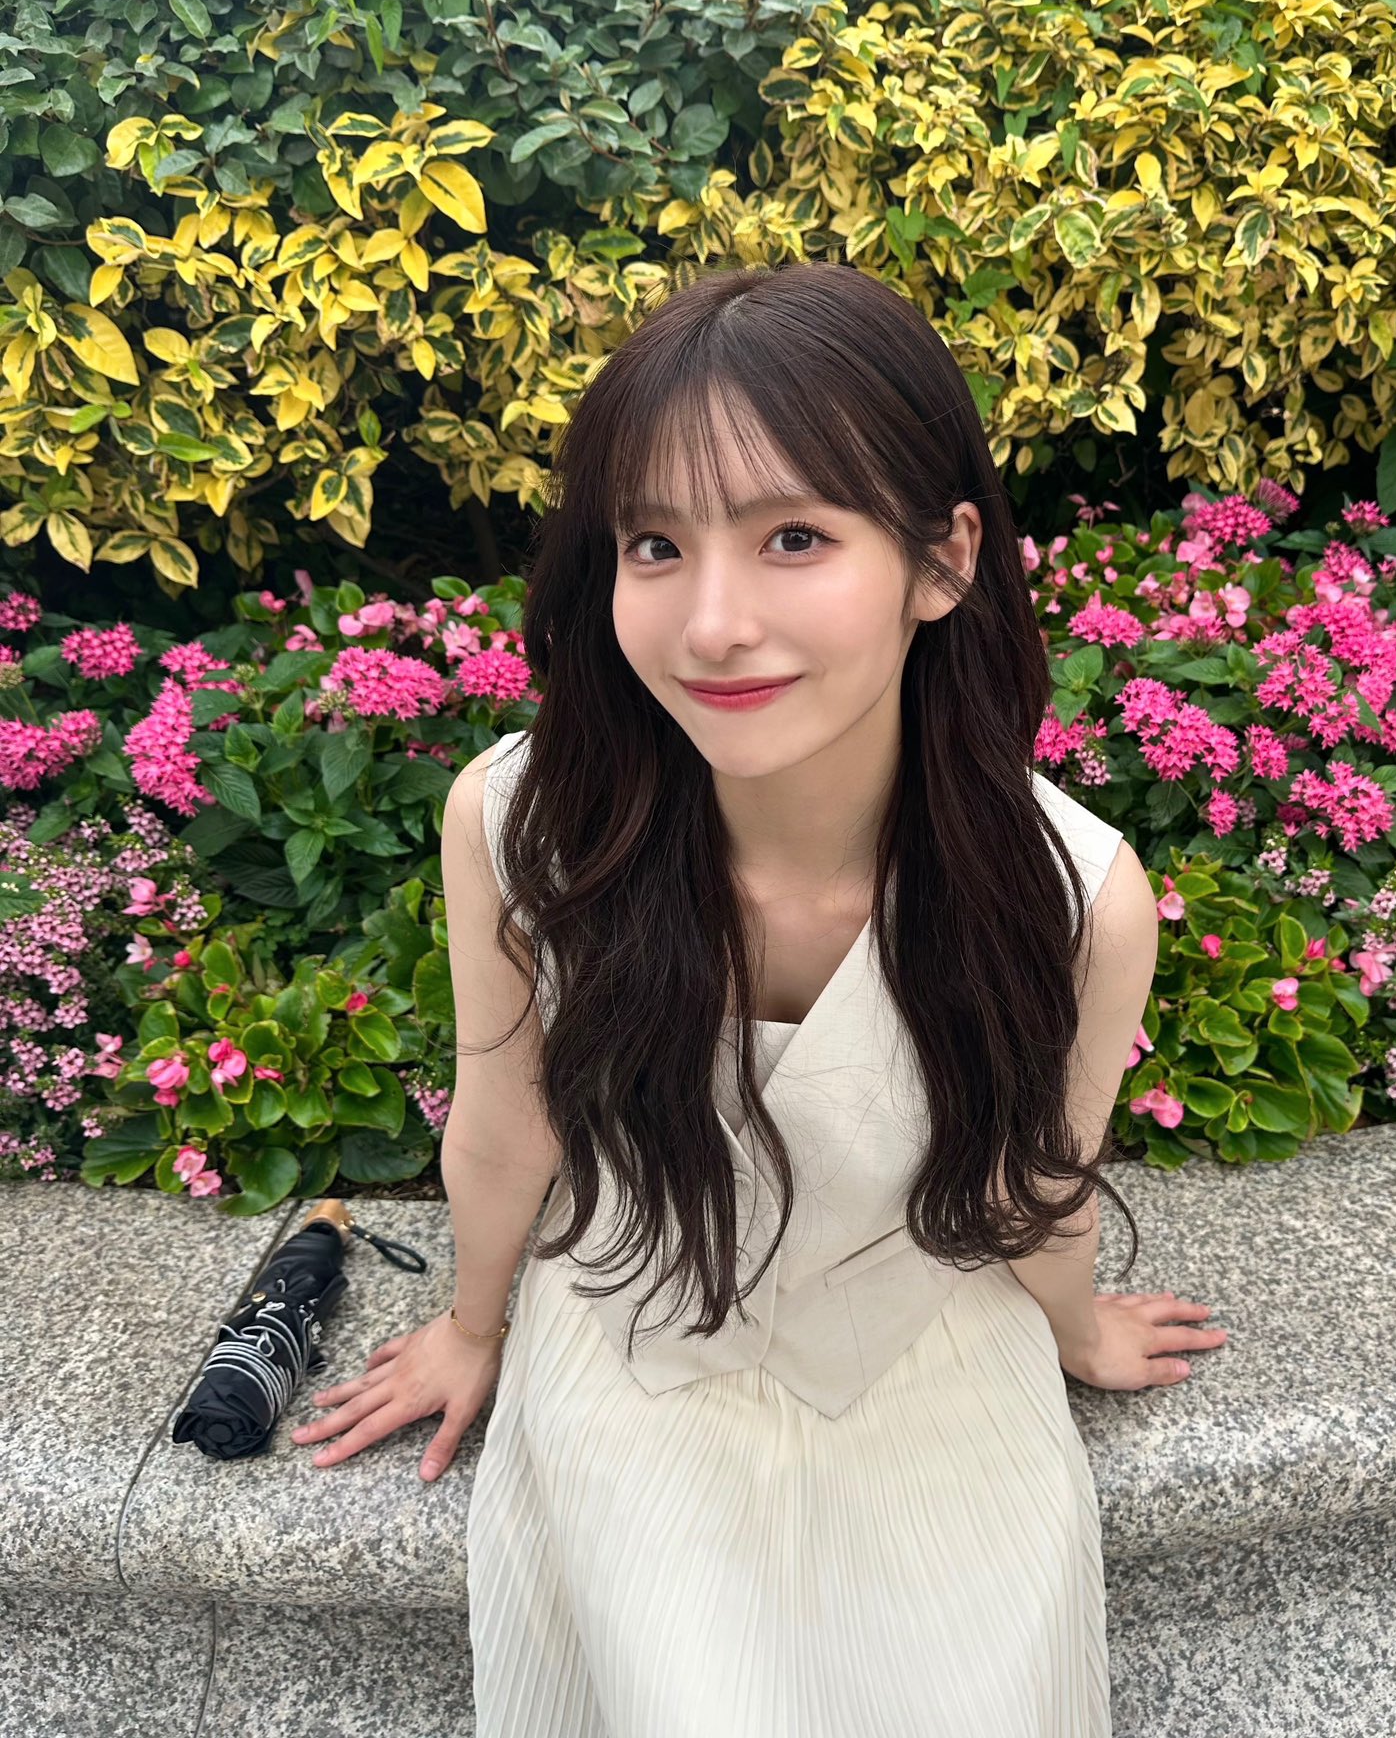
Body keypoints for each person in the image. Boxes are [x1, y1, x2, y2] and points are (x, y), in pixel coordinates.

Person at [290, 259, 1229, 1735]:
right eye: (655, 545)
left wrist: (1077, 1327)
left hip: (933, 1370)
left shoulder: (1068, 896)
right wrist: (474, 1327)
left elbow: (1031, 1176)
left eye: (795, 536)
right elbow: (508, 1117)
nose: (712, 623)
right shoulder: (528, 827)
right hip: (636, 1349)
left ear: (943, 560)